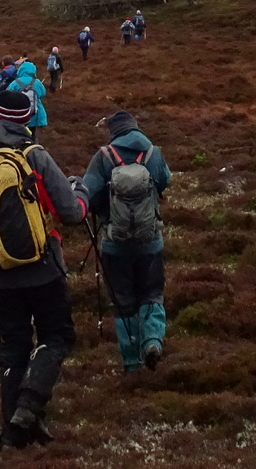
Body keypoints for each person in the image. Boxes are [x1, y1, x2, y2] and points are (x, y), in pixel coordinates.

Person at [0, 90, 88, 449]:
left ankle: (12, 433)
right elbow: (71, 213)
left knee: (12, 347)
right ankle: (29, 406)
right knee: (56, 338)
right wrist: (82, 196)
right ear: (28, 118)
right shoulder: (35, 155)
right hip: (43, 268)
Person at [79, 110, 172, 372]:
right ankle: (152, 340)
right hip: (150, 242)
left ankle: (132, 361)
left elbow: (89, 193)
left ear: (114, 131)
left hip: (114, 244)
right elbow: (165, 181)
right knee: (152, 293)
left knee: (122, 301)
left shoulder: (103, 156)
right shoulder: (152, 153)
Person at [8, 59, 49, 143]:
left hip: (19, 115)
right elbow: (43, 93)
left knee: (19, 134)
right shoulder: (37, 82)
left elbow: (8, 95)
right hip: (34, 114)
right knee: (33, 135)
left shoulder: (15, 83)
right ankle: (33, 147)